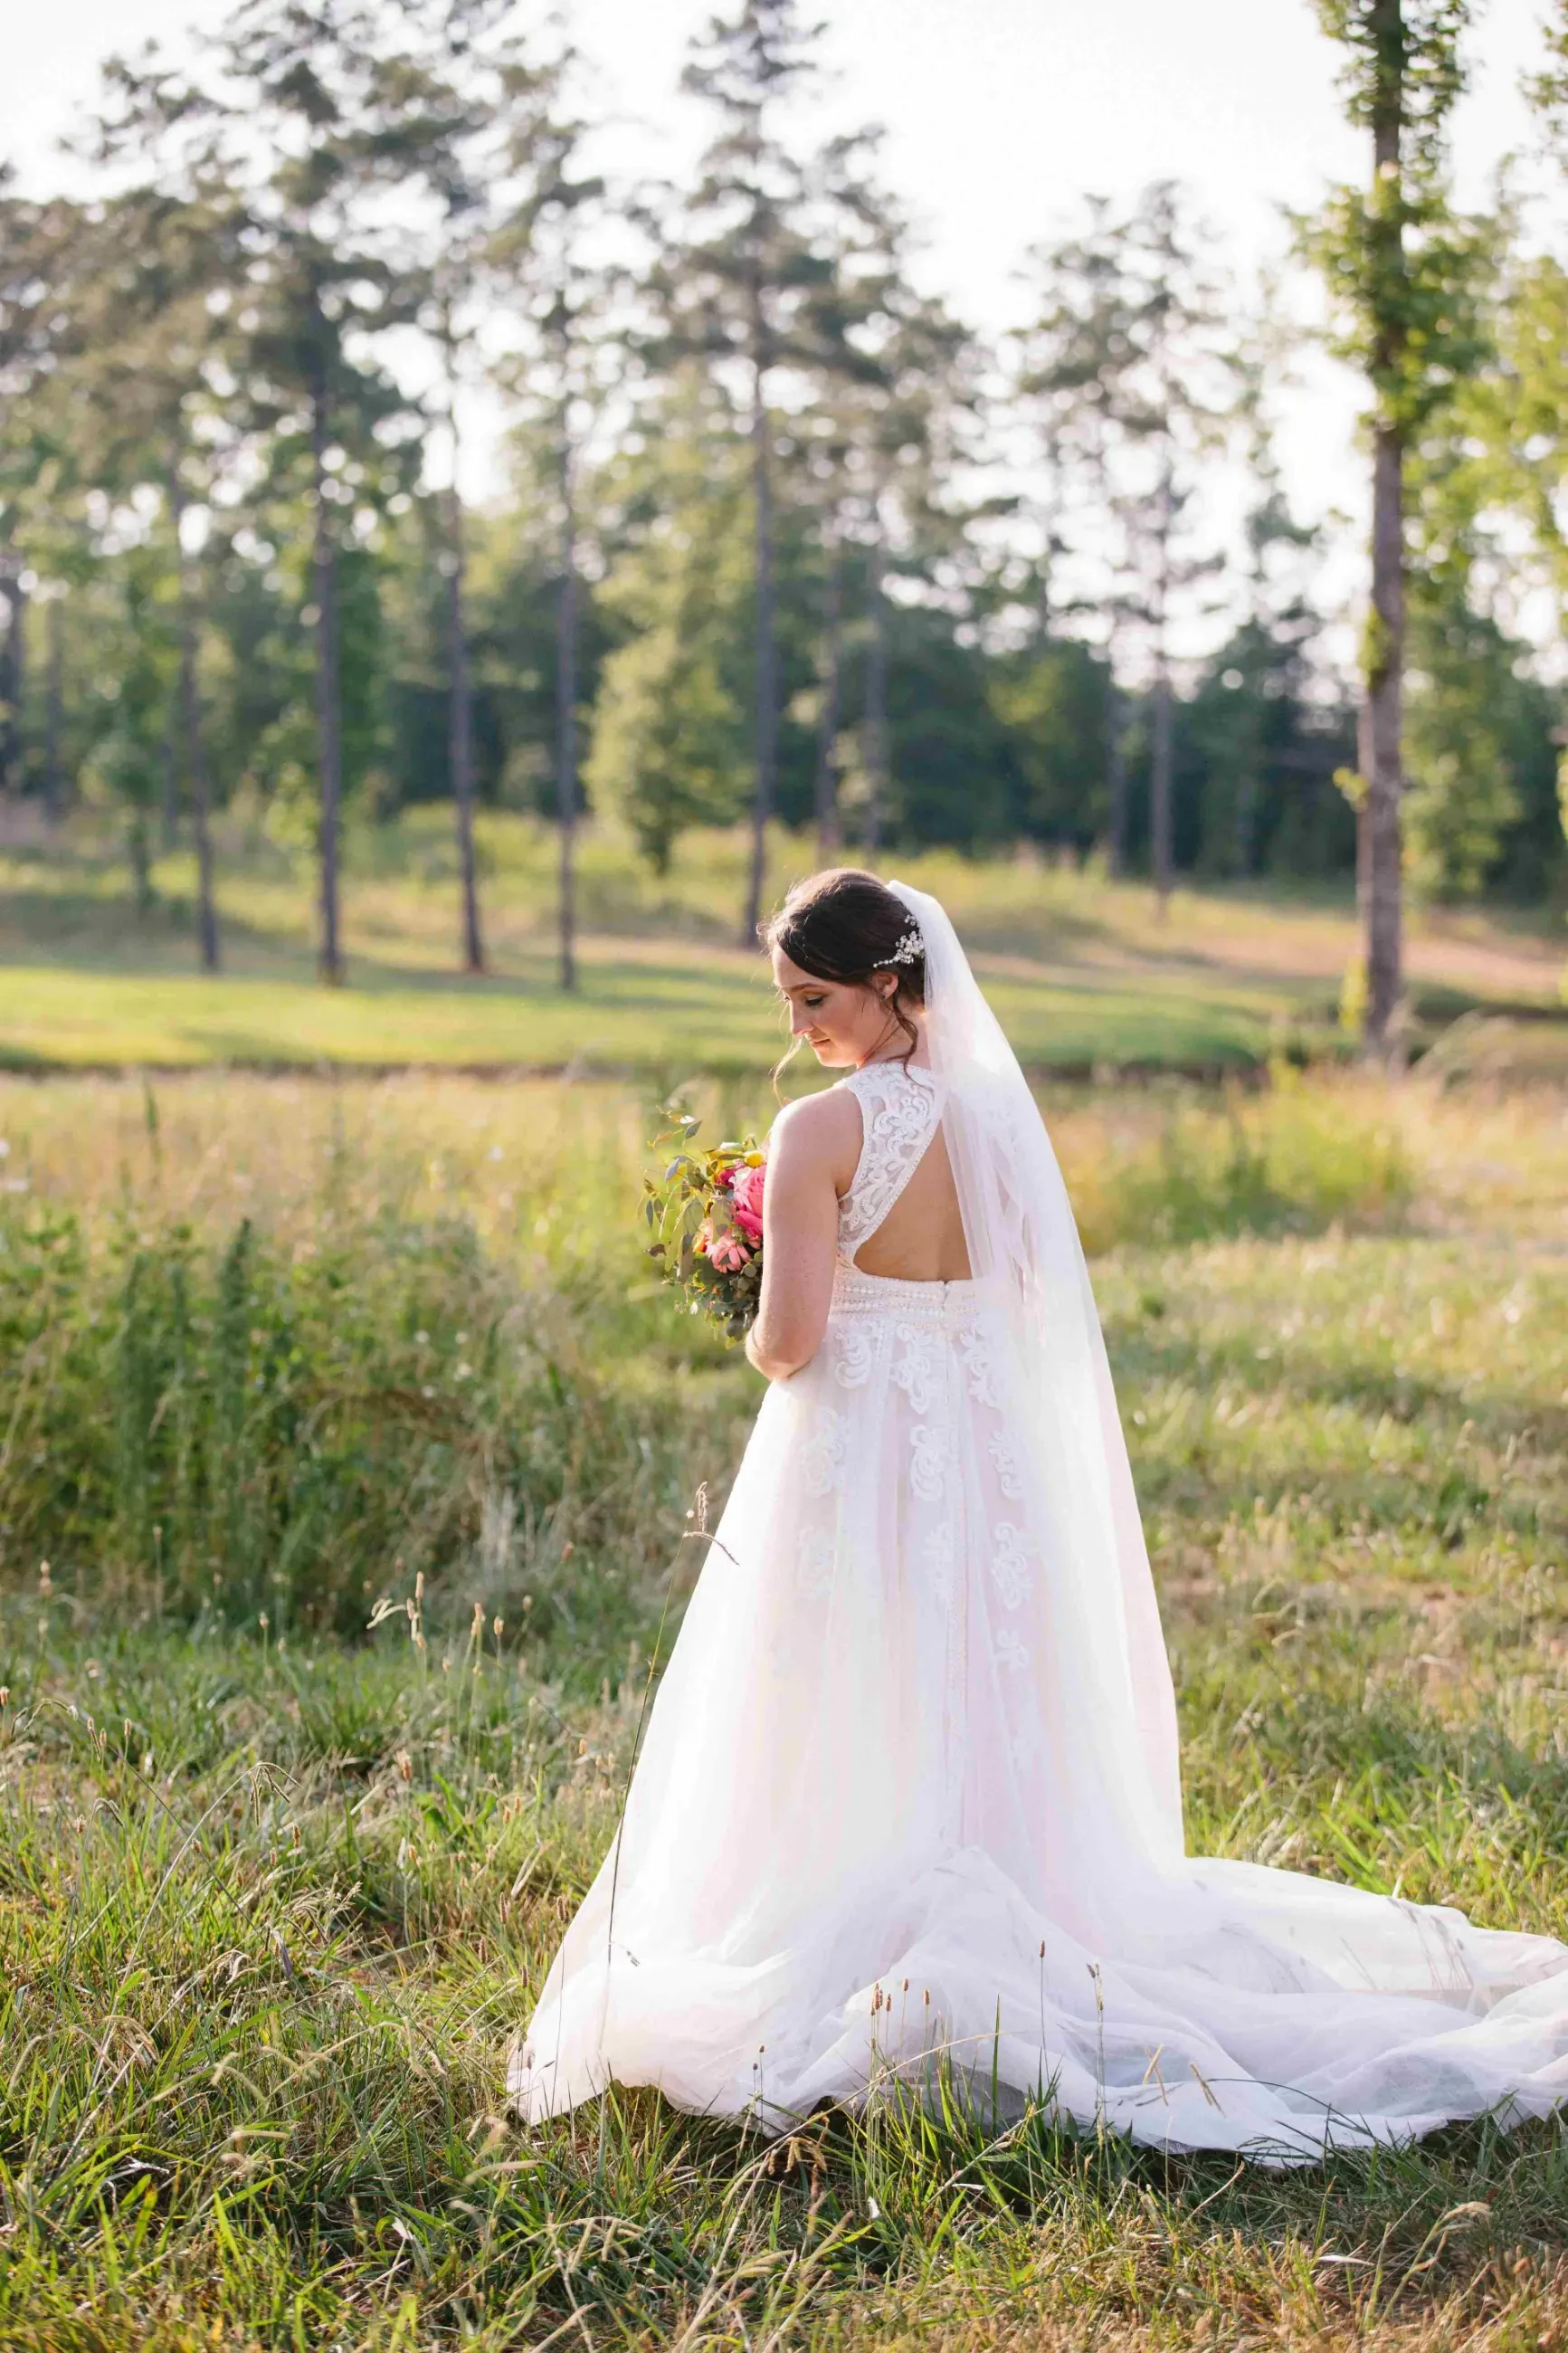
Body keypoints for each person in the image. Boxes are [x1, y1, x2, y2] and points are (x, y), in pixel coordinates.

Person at [511, 869, 1568, 2158]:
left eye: (814, 999)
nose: (800, 1029)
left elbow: (792, 1345)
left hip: (856, 1441)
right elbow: (1022, 1304)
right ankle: (1011, 1885)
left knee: (842, 1671)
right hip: (978, 1431)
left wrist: (745, 1279)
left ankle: (841, 1912)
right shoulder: (996, 1118)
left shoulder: (816, 1136)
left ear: (891, 983)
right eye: (789, 1004)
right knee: (981, 1670)